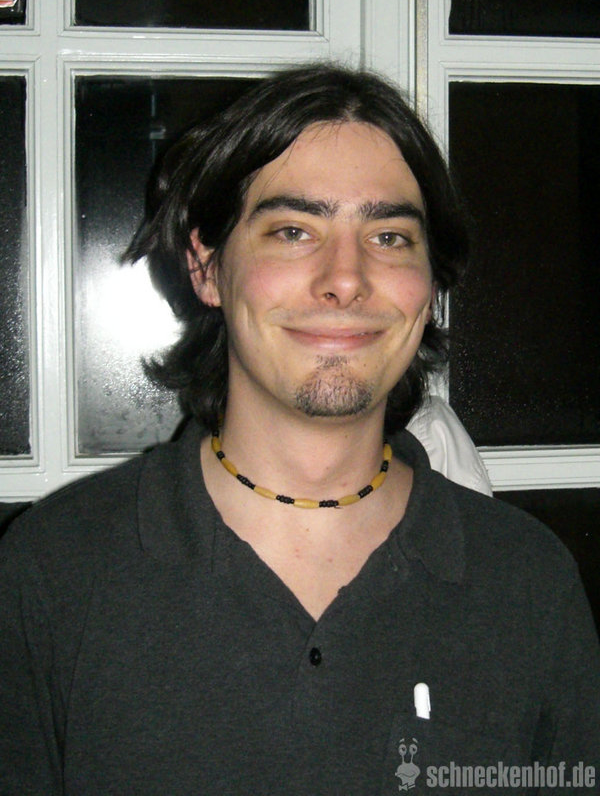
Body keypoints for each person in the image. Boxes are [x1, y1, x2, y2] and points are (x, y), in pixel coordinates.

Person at [1, 63, 598, 795]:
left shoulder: (529, 585)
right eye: (293, 230)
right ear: (206, 267)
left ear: (431, 285)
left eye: (389, 236)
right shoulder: (52, 572)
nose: (345, 278)